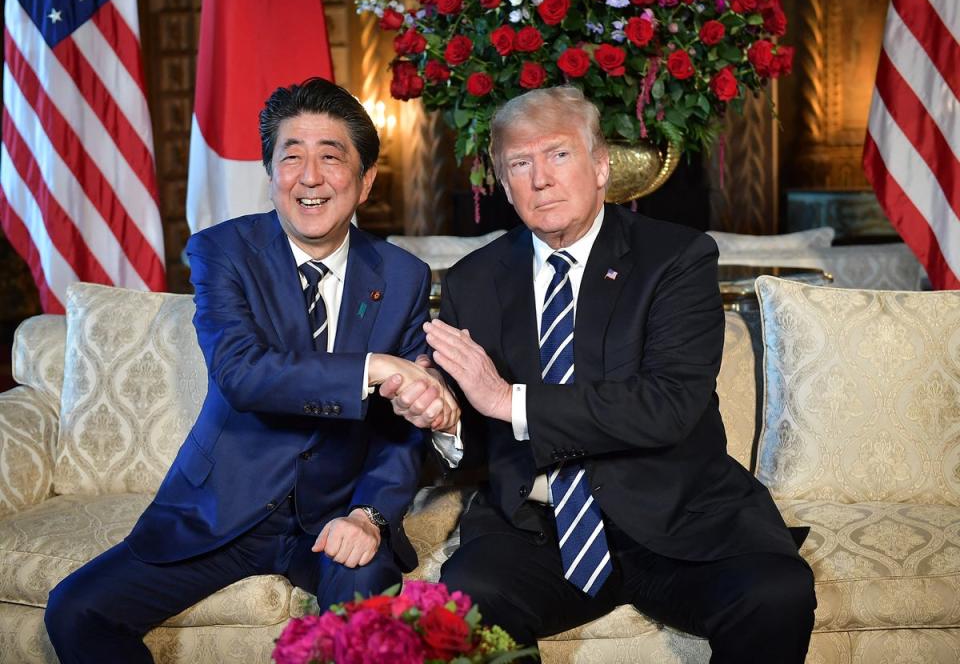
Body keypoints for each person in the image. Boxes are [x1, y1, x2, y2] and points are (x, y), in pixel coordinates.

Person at [387, 86, 816, 662]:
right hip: (538, 529)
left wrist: (508, 400)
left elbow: (666, 405)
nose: (540, 178)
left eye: (559, 155)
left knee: (776, 594)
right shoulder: (472, 280)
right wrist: (441, 418)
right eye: (521, 163)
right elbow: (465, 444)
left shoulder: (677, 259)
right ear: (504, 185)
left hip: (677, 518)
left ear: (602, 166)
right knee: (468, 600)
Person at [44, 77, 457, 663]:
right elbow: (242, 373)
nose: (309, 177)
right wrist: (373, 367)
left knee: (367, 630)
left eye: (330, 157)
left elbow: (402, 427)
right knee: (75, 610)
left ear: (364, 181)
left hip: (337, 516)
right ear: (271, 174)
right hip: (222, 512)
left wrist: (369, 516)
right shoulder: (222, 252)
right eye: (291, 157)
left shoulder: (403, 275)